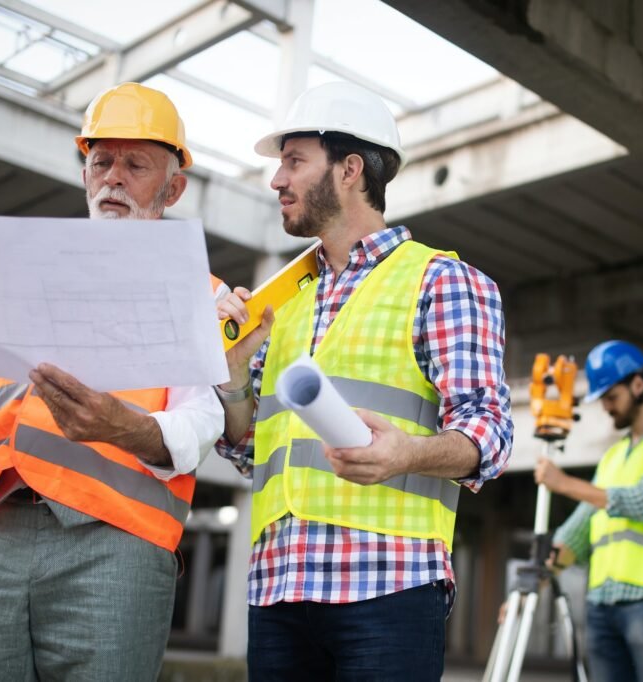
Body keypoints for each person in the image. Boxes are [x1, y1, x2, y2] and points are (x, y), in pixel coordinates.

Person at [0, 82, 235, 682]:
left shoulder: (200, 296)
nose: (113, 178)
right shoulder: (14, 275)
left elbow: (203, 423)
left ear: (172, 187)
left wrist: (122, 428)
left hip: (116, 544)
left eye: (135, 164)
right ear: (84, 174)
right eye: (100, 162)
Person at [213, 81, 514, 680]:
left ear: (350, 170)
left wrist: (407, 453)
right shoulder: (282, 302)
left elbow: (490, 431)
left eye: (294, 161)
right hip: (277, 589)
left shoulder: (441, 282)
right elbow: (252, 451)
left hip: (388, 589)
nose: (277, 180)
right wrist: (231, 376)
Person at [534, 340, 643, 682]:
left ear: (639, 385)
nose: (606, 407)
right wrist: (536, 581)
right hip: (603, 603)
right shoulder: (614, 457)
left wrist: (564, 483)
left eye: (611, 397)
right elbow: (578, 531)